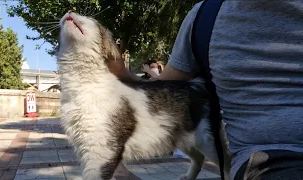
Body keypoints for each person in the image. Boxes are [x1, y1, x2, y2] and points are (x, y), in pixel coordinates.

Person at [109, 1, 303, 180]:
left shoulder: (206, 15)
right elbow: (163, 92)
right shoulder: (204, 17)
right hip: (270, 164)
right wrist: (121, 71)